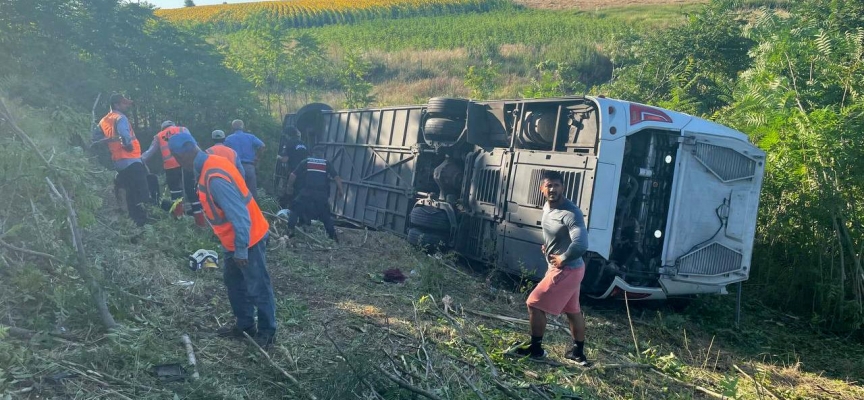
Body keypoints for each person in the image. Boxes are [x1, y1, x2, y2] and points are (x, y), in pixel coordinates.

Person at [168, 131, 277, 348]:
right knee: (234, 282)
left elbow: (240, 216)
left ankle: (267, 332)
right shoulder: (211, 162)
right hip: (234, 240)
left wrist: (241, 250)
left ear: (184, 155)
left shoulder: (214, 177)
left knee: (257, 286)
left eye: (177, 158)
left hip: (247, 239)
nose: (178, 163)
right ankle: (245, 325)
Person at [506, 170, 590, 366]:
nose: (553, 189)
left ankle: (536, 350)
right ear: (542, 188)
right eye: (549, 185)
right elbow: (557, 233)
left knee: (534, 304)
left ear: (563, 188)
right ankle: (578, 354)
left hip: (566, 269)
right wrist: (550, 246)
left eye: (557, 185)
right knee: (572, 310)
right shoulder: (547, 207)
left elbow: (580, 244)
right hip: (572, 269)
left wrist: (562, 257)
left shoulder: (571, 213)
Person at [94, 93, 150, 226]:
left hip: (119, 163)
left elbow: (94, 140)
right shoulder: (121, 118)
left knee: (130, 193)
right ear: (116, 105)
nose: (126, 106)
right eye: (124, 103)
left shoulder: (103, 121)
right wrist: (128, 146)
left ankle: (134, 222)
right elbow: (125, 135)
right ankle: (144, 222)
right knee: (141, 192)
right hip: (131, 159)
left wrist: (108, 141)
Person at [141, 121, 205, 226]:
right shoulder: (182, 129)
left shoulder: (159, 135)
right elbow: (192, 144)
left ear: (163, 128)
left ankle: (179, 218)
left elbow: (150, 151)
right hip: (186, 162)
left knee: (176, 193)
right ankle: (200, 220)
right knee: (191, 191)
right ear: (173, 125)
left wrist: (139, 160)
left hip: (170, 167)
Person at [286, 145, 344, 242]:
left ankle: (290, 231)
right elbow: (337, 178)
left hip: (306, 192)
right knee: (326, 216)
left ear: (312, 153)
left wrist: (289, 187)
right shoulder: (326, 163)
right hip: (321, 194)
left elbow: (292, 175)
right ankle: (333, 237)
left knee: (295, 209)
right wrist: (341, 190)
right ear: (322, 154)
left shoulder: (306, 161)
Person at [224, 119, 264, 200]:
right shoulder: (250, 137)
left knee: (237, 192)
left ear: (232, 128)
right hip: (249, 166)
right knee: (252, 192)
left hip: (235, 168)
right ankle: (253, 211)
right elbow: (262, 146)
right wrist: (257, 158)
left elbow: (225, 151)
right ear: (243, 127)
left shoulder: (228, 139)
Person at [276, 126, 308, 209]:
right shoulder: (304, 144)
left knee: (289, 191)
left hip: (293, 172)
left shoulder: (289, 143)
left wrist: (278, 157)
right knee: (300, 192)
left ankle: (287, 210)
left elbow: (285, 159)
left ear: (287, 135)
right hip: (305, 173)